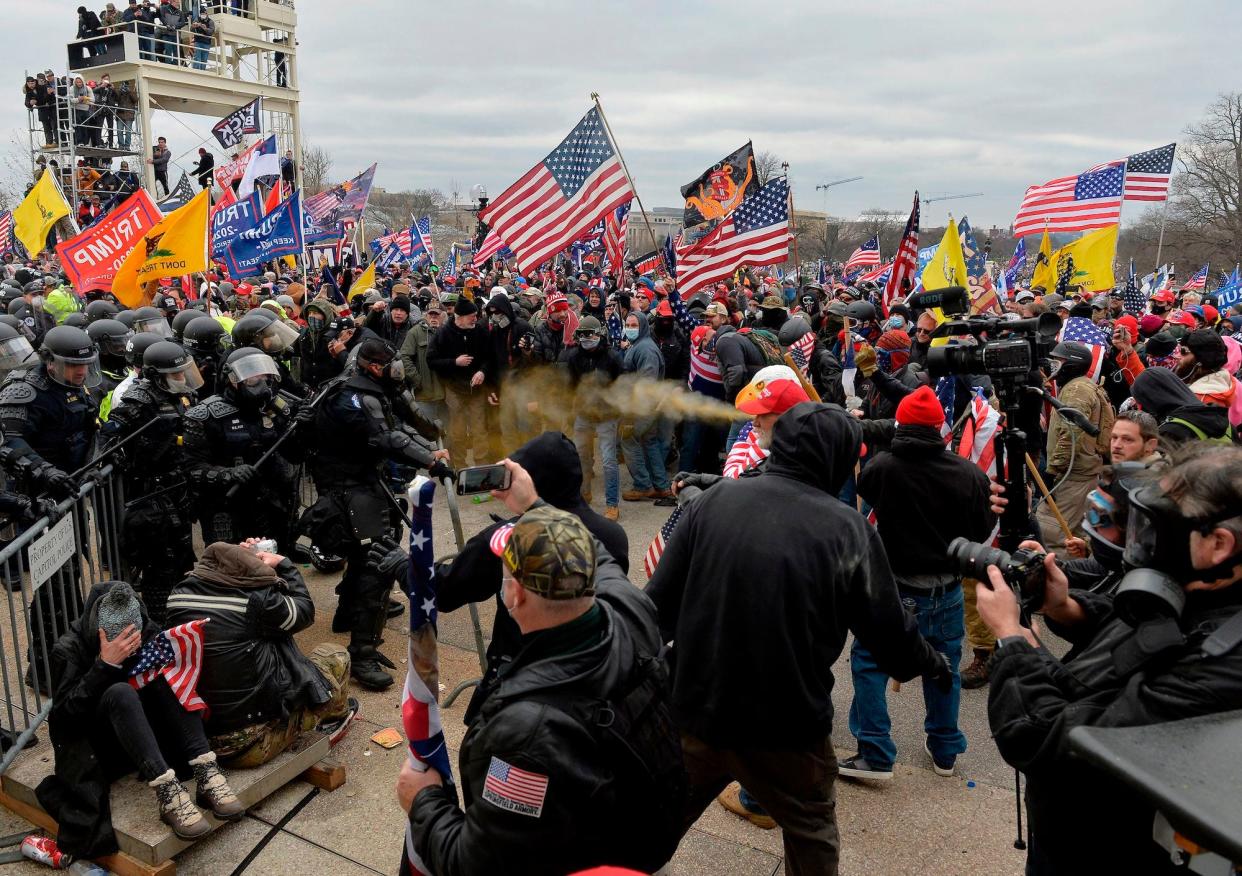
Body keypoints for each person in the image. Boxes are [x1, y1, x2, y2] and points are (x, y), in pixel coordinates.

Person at [646, 402, 950, 874]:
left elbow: (656, 609)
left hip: (695, 709)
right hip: (786, 726)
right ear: (837, 458)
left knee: (648, 830)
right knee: (810, 838)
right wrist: (930, 661)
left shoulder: (714, 501)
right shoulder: (847, 530)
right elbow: (888, 633)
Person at [979, 443, 1242, 875]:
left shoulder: (1221, 665)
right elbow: (1150, 634)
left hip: (1105, 853)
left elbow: (1050, 743)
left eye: (1161, 526)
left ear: (1218, 544)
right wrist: (1067, 607)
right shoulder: (1208, 589)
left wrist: (1014, 640)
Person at [397, 496, 683, 875]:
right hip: (632, 834)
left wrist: (424, 802)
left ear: (515, 594)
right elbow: (597, 551)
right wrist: (533, 503)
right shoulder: (633, 611)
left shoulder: (525, 738)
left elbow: (479, 865)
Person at [843, 385, 996, 781]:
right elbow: (981, 530)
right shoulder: (970, 475)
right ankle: (945, 749)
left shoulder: (882, 468)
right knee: (943, 666)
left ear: (902, 425)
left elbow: (866, 494)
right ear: (938, 427)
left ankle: (875, 751)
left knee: (869, 663)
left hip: (892, 589)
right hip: (945, 588)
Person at [39, 581, 242, 855]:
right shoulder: (68, 649)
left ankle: (205, 769)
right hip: (97, 748)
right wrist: (105, 665)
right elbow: (64, 719)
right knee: (120, 692)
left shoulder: (145, 628)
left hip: (140, 736)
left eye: (133, 639)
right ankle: (168, 792)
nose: (131, 646)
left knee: (166, 677)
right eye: (123, 641)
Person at [304, 339, 450, 689]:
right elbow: (389, 438)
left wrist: (431, 444)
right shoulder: (356, 397)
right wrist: (430, 460)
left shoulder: (361, 387)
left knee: (364, 552)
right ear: (373, 366)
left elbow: (401, 427)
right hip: (349, 488)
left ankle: (345, 614)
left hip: (360, 481)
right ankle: (363, 653)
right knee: (378, 560)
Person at [165, 540, 354, 767]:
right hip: (250, 745)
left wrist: (238, 556)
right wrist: (284, 565)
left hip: (197, 738)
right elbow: (303, 611)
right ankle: (333, 717)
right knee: (335, 655)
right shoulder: (254, 601)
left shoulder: (178, 596)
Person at [0, 326, 100, 690]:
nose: (80, 372)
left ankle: (68, 655)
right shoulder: (23, 391)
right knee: (52, 584)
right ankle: (44, 667)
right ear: (48, 361)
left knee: (67, 578)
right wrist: (45, 470)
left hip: (68, 490)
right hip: (37, 498)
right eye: (71, 365)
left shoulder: (77, 385)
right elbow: (9, 442)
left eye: (85, 364)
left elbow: (87, 428)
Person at [105, 341, 203, 623]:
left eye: (183, 373)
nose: (182, 379)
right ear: (156, 375)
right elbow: (112, 436)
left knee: (183, 553)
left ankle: (182, 611)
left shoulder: (182, 396)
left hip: (179, 487)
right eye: (175, 375)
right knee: (160, 561)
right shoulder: (138, 400)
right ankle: (159, 620)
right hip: (151, 491)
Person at [182, 347, 308, 556]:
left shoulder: (274, 407)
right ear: (232, 379)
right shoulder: (205, 415)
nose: (261, 383)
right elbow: (192, 469)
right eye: (252, 378)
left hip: (268, 505)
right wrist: (228, 474)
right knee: (230, 571)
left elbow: (295, 454)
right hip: (227, 507)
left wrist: (303, 428)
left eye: (264, 376)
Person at [1037, 341, 1116, 556]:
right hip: (1083, 471)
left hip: (1073, 475)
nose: (1053, 365)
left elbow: (1071, 433)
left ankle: (1061, 582)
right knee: (1078, 533)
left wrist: (1052, 472)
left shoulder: (1076, 390)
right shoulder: (1083, 385)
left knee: (1054, 533)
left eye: (1058, 361)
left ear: (1070, 365)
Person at [560, 316, 623, 519]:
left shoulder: (613, 357)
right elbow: (569, 386)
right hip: (583, 414)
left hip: (607, 415)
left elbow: (623, 385)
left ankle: (612, 504)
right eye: (582, 335)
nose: (586, 338)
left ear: (600, 334)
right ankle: (583, 494)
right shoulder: (574, 357)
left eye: (590, 334)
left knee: (608, 461)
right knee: (581, 456)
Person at [428, 295, 493, 465]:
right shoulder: (443, 333)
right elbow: (431, 360)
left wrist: (483, 372)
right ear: (460, 317)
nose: (476, 319)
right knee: (457, 431)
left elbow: (490, 357)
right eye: (472, 316)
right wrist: (454, 363)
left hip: (477, 390)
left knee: (479, 430)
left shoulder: (480, 331)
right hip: (455, 389)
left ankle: (481, 465)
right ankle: (460, 465)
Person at [619, 311, 671, 501]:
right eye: (628, 325)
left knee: (627, 438)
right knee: (649, 442)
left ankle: (642, 485)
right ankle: (661, 485)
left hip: (642, 407)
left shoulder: (646, 349)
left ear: (642, 326)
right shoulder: (640, 345)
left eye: (634, 325)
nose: (630, 328)